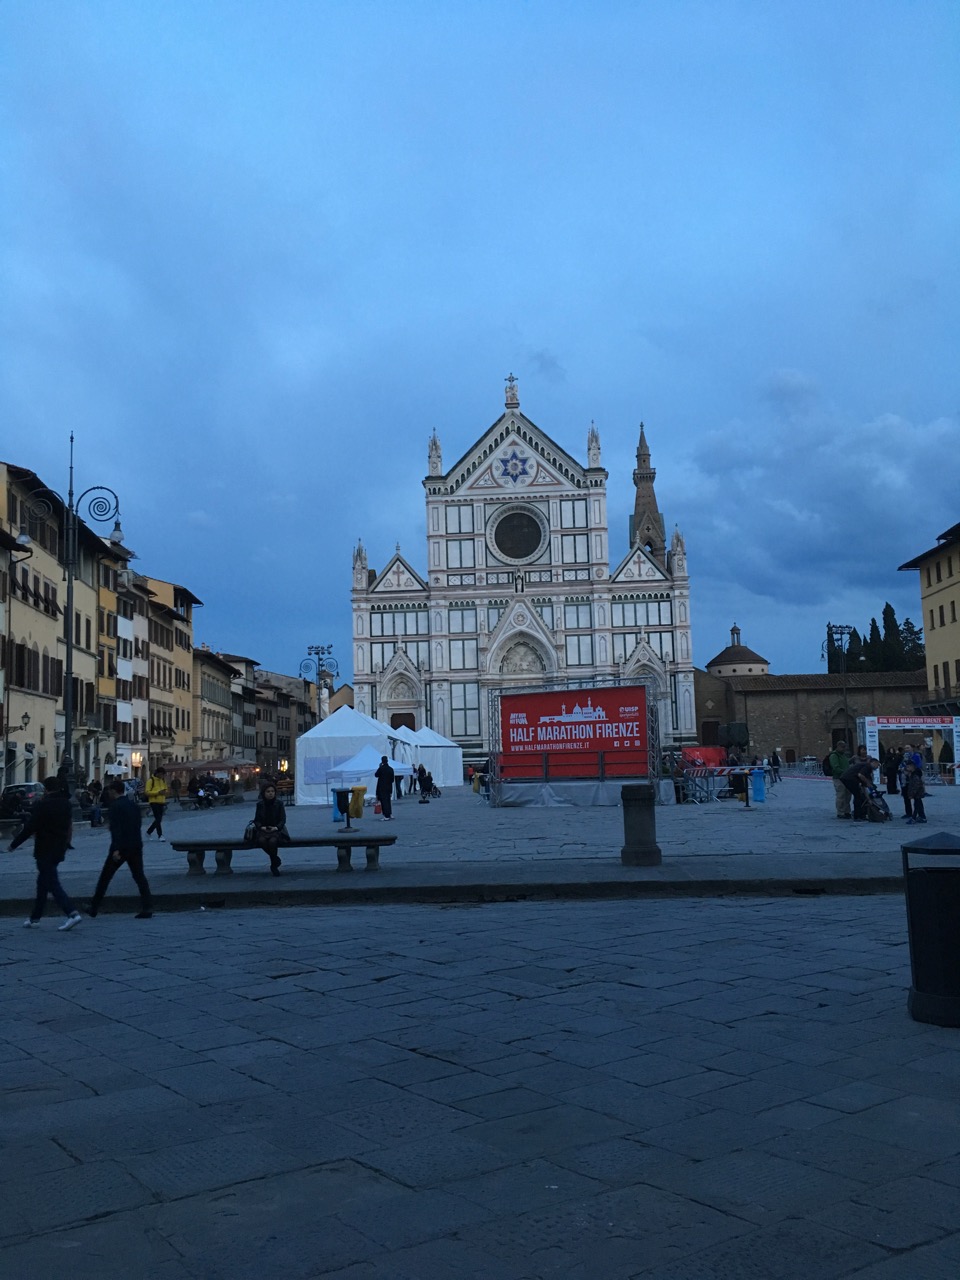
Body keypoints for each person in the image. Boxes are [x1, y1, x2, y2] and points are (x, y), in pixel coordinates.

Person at [10, 777, 82, 931]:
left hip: (44, 848)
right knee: (42, 883)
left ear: (46, 789)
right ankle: (35, 918)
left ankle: (71, 912)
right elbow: (69, 825)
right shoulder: (66, 804)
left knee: (52, 882)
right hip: (59, 847)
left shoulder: (42, 805)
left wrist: (13, 845)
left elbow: (30, 827)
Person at [87, 780, 153, 918]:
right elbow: (137, 824)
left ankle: (94, 907)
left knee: (105, 877)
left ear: (113, 791)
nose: (109, 793)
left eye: (110, 791)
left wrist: (116, 849)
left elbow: (116, 829)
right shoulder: (133, 805)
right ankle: (147, 907)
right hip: (135, 844)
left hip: (121, 847)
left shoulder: (115, 806)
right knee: (139, 876)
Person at [249, 781, 290, 875]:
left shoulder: (279, 803)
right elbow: (257, 820)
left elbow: (283, 819)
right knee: (262, 841)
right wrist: (261, 827)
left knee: (272, 841)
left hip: (276, 830)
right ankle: (275, 859)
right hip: (263, 830)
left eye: (272, 791)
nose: (270, 793)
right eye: (268, 791)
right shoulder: (260, 805)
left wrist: (276, 827)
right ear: (264, 793)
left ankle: (273, 865)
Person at [841, 756, 879, 822]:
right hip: (849, 779)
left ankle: (861, 815)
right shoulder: (867, 766)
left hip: (847, 778)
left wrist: (868, 799)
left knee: (860, 796)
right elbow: (860, 775)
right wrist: (868, 783)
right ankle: (857, 816)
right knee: (858, 796)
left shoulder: (867, 769)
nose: (877, 767)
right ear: (873, 762)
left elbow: (864, 787)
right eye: (877, 765)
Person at [828, 741, 853, 819]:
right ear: (838, 746)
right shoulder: (834, 756)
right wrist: (845, 772)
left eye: (845, 747)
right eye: (842, 747)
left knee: (848, 795)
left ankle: (847, 811)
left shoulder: (843, 756)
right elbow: (835, 768)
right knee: (841, 795)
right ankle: (840, 812)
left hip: (846, 778)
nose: (844, 748)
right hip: (838, 778)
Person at [145, 766, 168, 841]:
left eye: (163, 775)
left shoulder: (163, 780)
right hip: (154, 801)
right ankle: (160, 835)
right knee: (158, 818)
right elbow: (147, 792)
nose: (162, 776)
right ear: (157, 773)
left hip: (161, 801)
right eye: (161, 774)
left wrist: (165, 792)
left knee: (159, 819)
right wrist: (158, 793)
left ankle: (149, 832)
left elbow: (166, 789)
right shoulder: (151, 781)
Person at [375, 756, 395, 821]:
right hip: (389, 787)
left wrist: (379, 767)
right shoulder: (391, 769)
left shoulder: (381, 768)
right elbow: (392, 780)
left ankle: (386, 815)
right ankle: (390, 813)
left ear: (382, 761)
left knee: (384, 802)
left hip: (382, 787)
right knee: (388, 801)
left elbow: (376, 775)